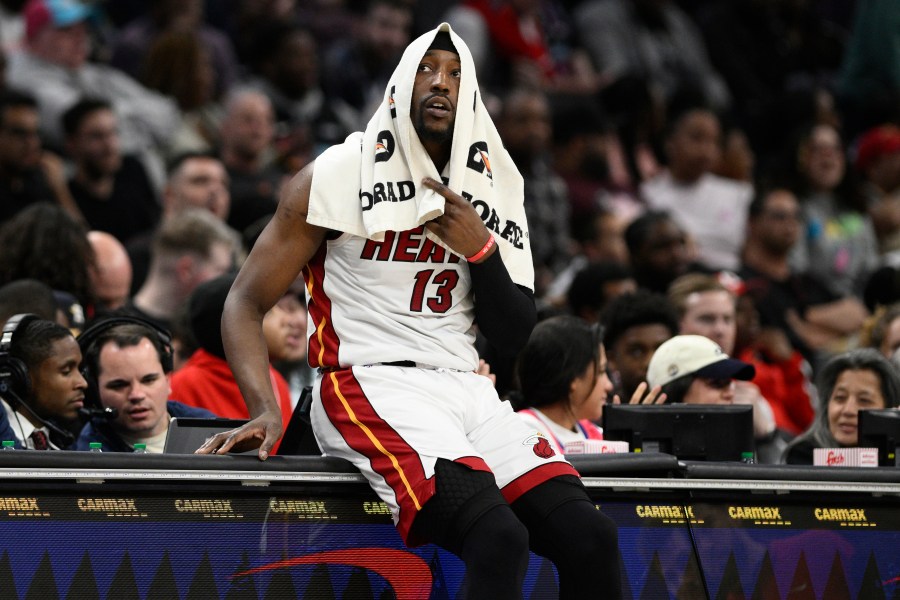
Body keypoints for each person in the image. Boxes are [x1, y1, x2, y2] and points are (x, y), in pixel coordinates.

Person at [198, 24, 622, 599]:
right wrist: (263, 408)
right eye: (427, 69)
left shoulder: (496, 187)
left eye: (454, 73)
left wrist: (481, 251)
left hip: (466, 386)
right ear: (400, 84)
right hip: (368, 381)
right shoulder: (336, 175)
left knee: (591, 537)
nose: (440, 83)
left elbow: (515, 332)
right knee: (499, 539)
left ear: (471, 95)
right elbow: (245, 301)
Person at [512, 315, 663, 456]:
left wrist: (631, 443)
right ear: (573, 378)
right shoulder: (523, 432)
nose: (609, 385)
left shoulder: (596, 434)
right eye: (601, 371)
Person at [170, 273, 293, 433]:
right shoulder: (184, 384)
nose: (286, 320)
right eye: (268, 313)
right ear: (230, 326)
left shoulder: (275, 380)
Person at [73, 317, 214, 453]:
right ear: (95, 390)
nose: (137, 395)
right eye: (119, 385)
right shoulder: (89, 455)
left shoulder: (209, 427)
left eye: (148, 380)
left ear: (167, 379)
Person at [62, 98, 161, 246]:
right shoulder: (68, 196)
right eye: (96, 136)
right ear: (72, 144)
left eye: (113, 133)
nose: (110, 145)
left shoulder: (132, 169)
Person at [781, 348, 900, 465]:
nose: (848, 410)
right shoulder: (802, 456)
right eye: (840, 398)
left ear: (891, 409)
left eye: (864, 400)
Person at [0, 314, 87, 449]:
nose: (82, 383)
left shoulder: (64, 437)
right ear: (22, 375)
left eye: (79, 370)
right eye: (66, 371)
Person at [600, 290, 679, 403]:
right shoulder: (597, 416)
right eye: (636, 352)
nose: (650, 362)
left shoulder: (696, 405)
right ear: (611, 359)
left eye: (662, 349)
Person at [646, 334, 755, 407]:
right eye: (717, 384)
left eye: (730, 383)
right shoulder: (639, 441)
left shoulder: (737, 438)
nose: (730, 393)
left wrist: (766, 435)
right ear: (675, 395)